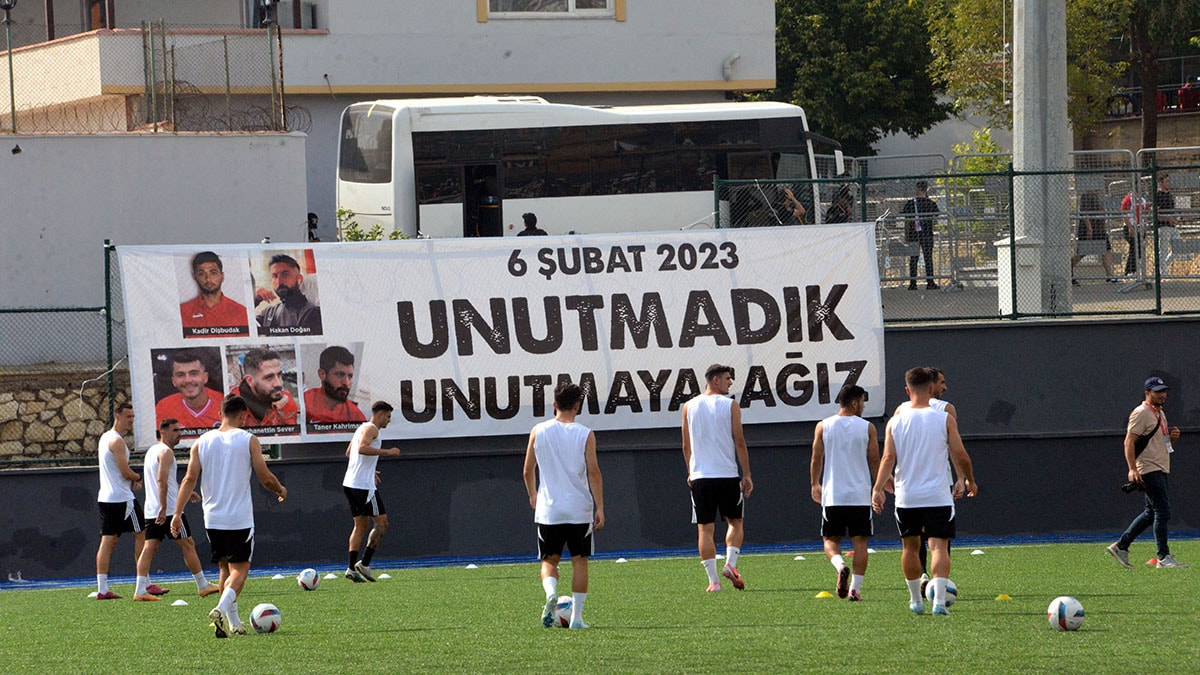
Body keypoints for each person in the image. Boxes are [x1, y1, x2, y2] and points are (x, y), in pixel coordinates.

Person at [172, 394, 287, 638]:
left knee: (225, 568)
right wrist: (280, 490)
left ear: (220, 414)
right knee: (240, 571)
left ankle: (233, 623)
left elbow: (189, 479)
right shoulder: (248, 439)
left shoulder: (201, 442)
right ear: (243, 415)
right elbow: (265, 477)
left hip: (212, 518)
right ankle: (221, 609)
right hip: (238, 519)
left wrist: (177, 513)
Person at [872, 367, 977, 616]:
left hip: (907, 496)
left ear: (907, 390)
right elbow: (960, 454)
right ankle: (938, 603)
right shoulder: (944, 418)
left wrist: (877, 488)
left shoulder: (895, 421)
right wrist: (969, 479)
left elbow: (887, 458)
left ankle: (915, 602)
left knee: (909, 547)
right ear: (931, 389)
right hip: (937, 495)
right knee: (938, 547)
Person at [522, 383, 604, 629]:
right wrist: (600, 507)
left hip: (550, 510)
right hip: (579, 509)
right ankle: (577, 618)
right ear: (577, 406)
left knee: (549, 560)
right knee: (580, 561)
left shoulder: (538, 430)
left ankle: (551, 593)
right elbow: (594, 472)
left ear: (554, 404)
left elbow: (527, 469)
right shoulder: (585, 434)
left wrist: (533, 494)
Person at [681, 364, 753, 592]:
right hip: (727, 475)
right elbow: (739, 441)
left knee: (705, 529)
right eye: (727, 378)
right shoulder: (730, 405)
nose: (730, 382)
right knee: (736, 522)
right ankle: (730, 564)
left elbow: (686, 445)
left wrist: (691, 471)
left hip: (701, 477)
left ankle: (714, 581)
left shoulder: (688, 406)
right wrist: (747, 474)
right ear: (715, 380)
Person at [134, 418, 220, 601]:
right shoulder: (166, 452)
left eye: (179, 430)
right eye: (174, 430)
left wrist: (185, 492)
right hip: (168, 510)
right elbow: (161, 481)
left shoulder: (152, 451)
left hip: (153, 509)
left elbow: (168, 482)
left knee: (149, 547)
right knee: (188, 544)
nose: (179, 434)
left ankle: (140, 590)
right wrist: (164, 507)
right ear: (163, 432)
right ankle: (203, 585)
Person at [1106, 376, 1187, 569]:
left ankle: (1121, 546)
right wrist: (1132, 469)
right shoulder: (1141, 412)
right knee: (1162, 511)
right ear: (1147, 393)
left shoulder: (1160, 413)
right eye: (1158, 392)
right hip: (1149, 468)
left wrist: (1172, 439)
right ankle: (1163, 557)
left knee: (1151, 513)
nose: (1162, 395)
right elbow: (1129, 441)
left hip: (1160, 466)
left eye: (1164, 391)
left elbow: (1161, 444)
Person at [893, 367, 962, 590]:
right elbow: (955, 449)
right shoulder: (946, 411)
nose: (945, 387)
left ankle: (920, 582)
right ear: (931, 386)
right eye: (942, 382)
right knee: (939, 540)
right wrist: (963, 477)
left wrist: (881, 484)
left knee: (912, 541)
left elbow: (889, 454)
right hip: (937, 485)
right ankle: (939, 588)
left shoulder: (900, 411)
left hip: (908, 488)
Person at [810, 385, 878, 601]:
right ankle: (855, 590)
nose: (864, 406)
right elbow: (875, 460)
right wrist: (879, 487)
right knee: (860, 542)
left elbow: (816, 458)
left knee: (830, 540)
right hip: (860, 496)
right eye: (863, 402)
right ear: (854, 403)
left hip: (834, 495)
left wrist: (815, 484)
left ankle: (840, 565)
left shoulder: (823, 426)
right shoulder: (868, 427)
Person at [94, 402, 155, 600]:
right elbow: (124, 471)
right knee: (143, 535)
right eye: (128, 416)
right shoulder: (117, 441)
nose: (131, 420)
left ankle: (102, 589)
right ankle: (144, 584)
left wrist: (131, 478)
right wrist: (137, 477)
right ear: (117, 416)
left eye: (133, 417)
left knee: (108, 541)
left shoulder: (105, 438)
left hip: (106, 498)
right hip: (122, 499)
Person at [343, 401, 401, 583]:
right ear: (380, 414)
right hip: (363, 487)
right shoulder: (372, 429)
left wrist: (370, 469)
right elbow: (361, 448)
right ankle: (365, 563)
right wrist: (387, 452)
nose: (389, 420)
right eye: (388, 416)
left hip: (350, 484)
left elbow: (349, 452)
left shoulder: (361, 428)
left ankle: (351, 568)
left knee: (360, 526)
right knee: (382, 523)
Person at [179, 251, 249, 336]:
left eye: (213, 273)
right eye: (201, 274)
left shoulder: (241, 313)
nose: (208, 279)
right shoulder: (182, 312)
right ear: (195, 276)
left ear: (222, 276)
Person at [229, 348, 300, 427]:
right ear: (250, 381)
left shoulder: (285, 401)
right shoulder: (230, 403)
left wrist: (281, 411)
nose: (278, 383)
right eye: (269, 378)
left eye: (279, 375)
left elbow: (291, 433)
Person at [155, 350, 224, 430]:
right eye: (180, 375)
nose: (188, 380)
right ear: (174, 381)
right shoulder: (164, 407)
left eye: (193, 373)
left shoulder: (223, 402)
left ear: (205, 377)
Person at [256, 254, 323, 335]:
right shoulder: (269, 312)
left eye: (285, 275)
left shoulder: (312, 313)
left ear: (299, 279)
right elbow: (245, 329)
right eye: (275, 276)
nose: (279, 281)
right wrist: (255, 300)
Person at [304, 345, 367, 424]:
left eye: (350, 376)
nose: (346, 383)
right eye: (340, 375)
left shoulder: (355, 415)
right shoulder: (305, 402)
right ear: (322, 374)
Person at [1071, 191, 1118, 285]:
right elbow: (1084, 214)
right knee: (1082, 252)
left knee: (1106, 250)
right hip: (1089, 230)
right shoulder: (1086, 196)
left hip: (1099, 230)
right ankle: (1068, 269)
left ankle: (1109, 275)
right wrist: (1089, 229)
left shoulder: (1096, 196)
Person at [902, 181, 941, 290]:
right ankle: (930, 282)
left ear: (918, 189)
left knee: (913, 258)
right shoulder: (931, 203)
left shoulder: (911, 203)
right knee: (928, 258)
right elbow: (937, 216)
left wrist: (906, 234)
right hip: (927, 234)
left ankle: (913, 283)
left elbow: (907, 220)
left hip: (913, 234)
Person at [1120, 190, 1147, 276]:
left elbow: (1144, 214)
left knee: (1138, 248)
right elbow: (1124, 215)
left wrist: (1144, 225)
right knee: (1134, 247)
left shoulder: (1142, 200)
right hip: (1130, 226)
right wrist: (1130, 228)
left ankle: (1134, 270)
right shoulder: (1129, 199)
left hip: (1140, 227)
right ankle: (1130, 271)